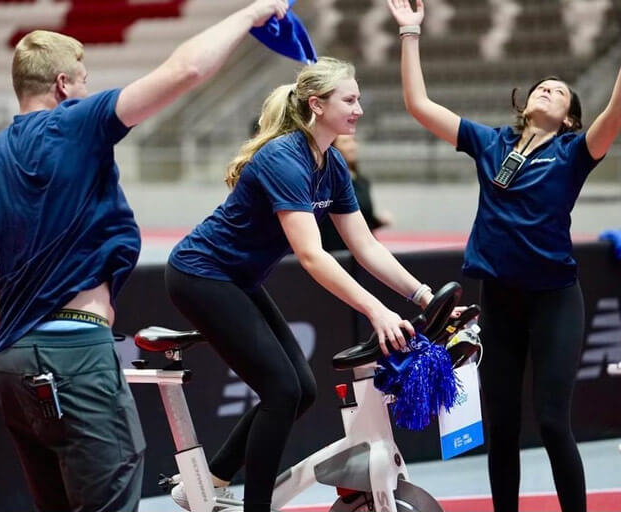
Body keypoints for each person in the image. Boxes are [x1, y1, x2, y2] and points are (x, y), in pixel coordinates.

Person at [0, 1, 289, 510]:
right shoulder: (77, 122)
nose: (86, 89)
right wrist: (251, 14)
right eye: (82, 80)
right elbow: (185, 70)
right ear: (62, 86)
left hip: (10, 366)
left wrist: (14, 326)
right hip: (76, 354)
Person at [166, 56, 436, 512]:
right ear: (317, 104)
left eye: (359, 100)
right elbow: (312, 256)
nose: (359, 109)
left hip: (240, 278)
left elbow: (365, 245)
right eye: (349, 99)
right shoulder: (283, 158)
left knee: (302, 390)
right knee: (281, 389)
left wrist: (422, 294)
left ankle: (209, 479)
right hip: (200, 274)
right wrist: (376, 310)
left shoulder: (331, 166)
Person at [385, 1, 621, 511]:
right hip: (500, 302)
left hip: (555, 300)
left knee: (554, 420)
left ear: (570, 117)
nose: (548, 89)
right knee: (503, 425)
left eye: (559, 91)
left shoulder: (575, 153)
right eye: (543, 85)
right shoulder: (490, 143)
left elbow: (616, 112)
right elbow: (419, 105)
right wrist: (409, 31)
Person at [320, 134, 394, 251]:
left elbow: (363, 219)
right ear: (333, 147)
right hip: (338, 251)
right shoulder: (326, 181)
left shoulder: (362, 181)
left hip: (362, 251)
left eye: (353, 141)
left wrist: (379, 221)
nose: (352, 146)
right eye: (345, 142)